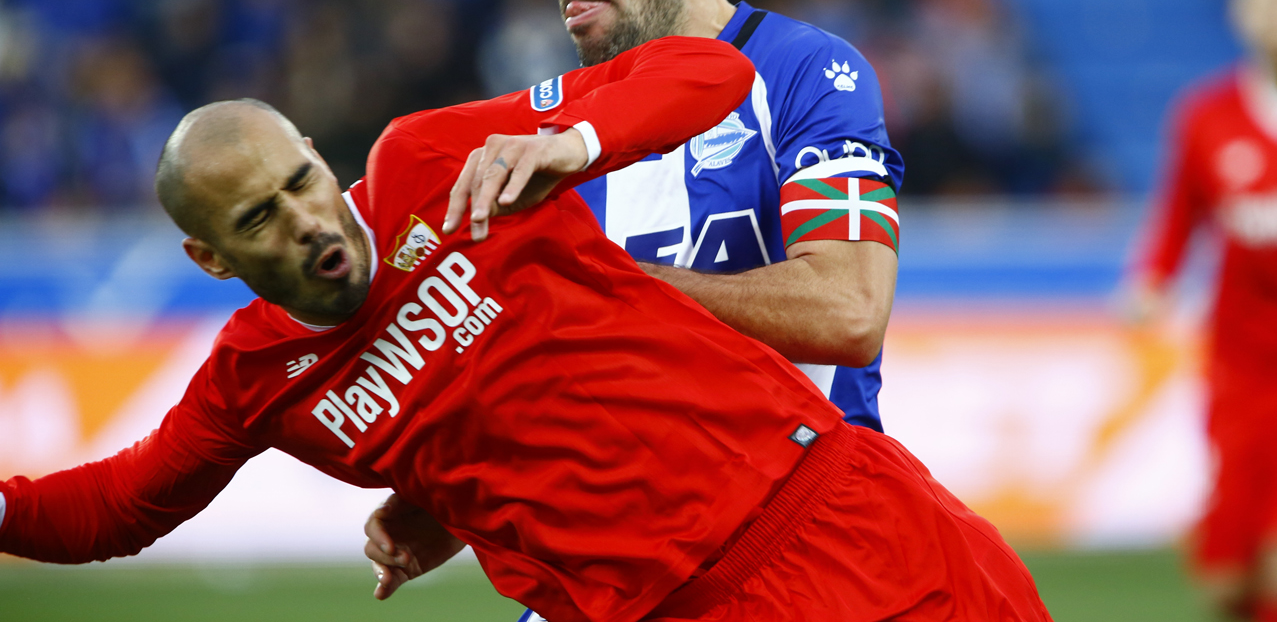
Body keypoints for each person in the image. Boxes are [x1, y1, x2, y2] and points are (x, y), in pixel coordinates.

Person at [0, 39, 1049, 621]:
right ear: (212, 260)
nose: (311, 219)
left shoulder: (433, 164)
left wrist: (579, 139)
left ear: (322, 155)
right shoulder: (254, 381)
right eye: (260, 218)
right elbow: (112, 508)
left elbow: (707, 74)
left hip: (838, 515)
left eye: (302, 181)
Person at [370, 0, 904, 605]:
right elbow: (555, 370)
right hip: (623, 561)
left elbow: (848, 309)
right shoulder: (545, 129)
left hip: (807, 549)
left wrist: (609, 292)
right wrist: (445, 504)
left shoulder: (808, 73)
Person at [1131, 0, 1277, 622]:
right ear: (1236, 9)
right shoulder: (1208, 117)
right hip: (1240, 369)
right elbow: (1179, 221)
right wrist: (1151, 283)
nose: (1274, 10)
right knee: (1228, 579)